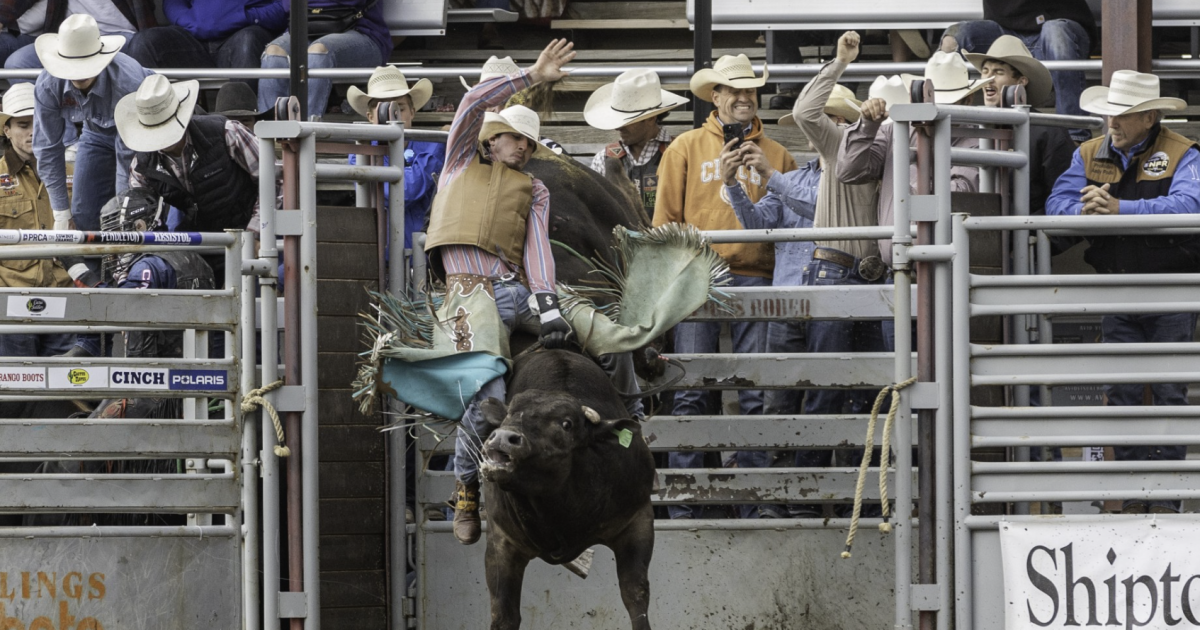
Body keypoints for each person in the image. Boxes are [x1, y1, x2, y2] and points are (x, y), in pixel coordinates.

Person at [425, 39, 576, 545]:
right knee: (487, 396)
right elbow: (471, 103)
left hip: (517, 293)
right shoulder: (458, 164)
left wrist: (549, 305)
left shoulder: (535, 189)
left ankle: (630, 420)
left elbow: (538, 251)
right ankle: (466, 487)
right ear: (491, 140)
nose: (523, 148)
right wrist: (533, 74)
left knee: (607, 336)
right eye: (514, 138)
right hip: (470, 298)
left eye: (529, 142)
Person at [1046, 70, 1199, 514]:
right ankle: (1138, 497)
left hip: (1168, 289)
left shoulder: (1183, 152)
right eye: (1110, 112)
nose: (1112, 121)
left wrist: (1119, 209)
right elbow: (1056, 205)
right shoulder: (1089, 152)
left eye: (1123, 113)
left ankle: (1164, 499)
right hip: (1122, 287)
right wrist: (1085, 211)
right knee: (1125, 393)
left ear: (1149, 117)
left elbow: (1191, 206)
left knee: (1167, 393)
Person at [652, 53, 797, 519]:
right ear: (714, 97)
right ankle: (685, 507)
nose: (743, 97)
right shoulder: (686, 147)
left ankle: (754, 505)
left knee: (755, 392)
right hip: (698, 276)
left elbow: (793, 220)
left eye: (749, 90)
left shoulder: (777, 155)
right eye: (733, 90)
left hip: (758, 276)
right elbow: (665, 221)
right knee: (691, 390)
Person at [759, 31, 884, 518]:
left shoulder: (885, 148)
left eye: (838, 116)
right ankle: (810, 502)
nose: (827, 123)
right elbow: (806, 111)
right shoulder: (839, 144)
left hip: (867, 276)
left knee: (865, 392)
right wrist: (839, 62)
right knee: (828, 390)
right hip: (839, 271)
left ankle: (850, 500)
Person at [837, 51, 988, 350]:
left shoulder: (977, 141)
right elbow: (848, 170)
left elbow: (958, 193)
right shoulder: (896, 130)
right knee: (908, 365)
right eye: (934, 101)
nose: (938, 110)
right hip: (900, 273)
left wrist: (909, 183)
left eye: (948, 101)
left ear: (967, 101)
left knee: (941, 361)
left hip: (949, 276)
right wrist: (866, 125)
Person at [32, 14, 152, 234]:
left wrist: (122, 210)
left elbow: (128, 153)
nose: (79, 74)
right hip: (95, 132)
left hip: (145, 134)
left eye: (85, 65)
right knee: (83, 215)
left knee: (129, 217)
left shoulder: (128, 81)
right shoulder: (47, 85)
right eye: (72, 66)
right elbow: (47, 148)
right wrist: (61, 214)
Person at [118, 74, 262, 236]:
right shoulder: (141, 166)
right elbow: (144, 217)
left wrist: (255, 233)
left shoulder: (228, 133)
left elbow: (273, 180)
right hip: (197, 238)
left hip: (244, 230)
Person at [940, 0, 1095, 142]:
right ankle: (945, 129)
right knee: (953, 39)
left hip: (1059, 26)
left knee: (1055, 31)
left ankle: (1074, 137)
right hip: (1005, 31)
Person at [0, 83, 75, 357]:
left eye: (39, 121)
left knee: (69, 380)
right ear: (7, 130)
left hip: (67, 293)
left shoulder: (75, 172)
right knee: (15, 380)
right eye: (23, 125)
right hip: (11, 298)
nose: (33, 131)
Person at [964, 35, 1077, 217]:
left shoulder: (1049, 131)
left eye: (998, 72)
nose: (988, 79)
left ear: (1021, 82)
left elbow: (1062, 197)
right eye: (985, 71)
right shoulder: (973, 126)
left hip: (1030, 230)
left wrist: (1033, 230)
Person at [346, 65, 444, 251]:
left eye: (400, 108)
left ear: (412, 112)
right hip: (382, 256)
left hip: (429, 255)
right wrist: (441, 143)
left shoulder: (433, 144)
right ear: (370, 117)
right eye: (384, 110)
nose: (393, 116)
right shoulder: (361, 153)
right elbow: (405, 192)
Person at [256, 0, 394, 119]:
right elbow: (288, 4)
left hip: (362, 31)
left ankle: (307, 133)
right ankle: (270, 136)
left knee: (318, 51)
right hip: (307, 28)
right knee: (274, 53)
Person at [584, 68, 687, 220]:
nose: (618, 127)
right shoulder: (603, 158)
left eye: (627, 120)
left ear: (650, 118)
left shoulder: (680, 153)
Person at [123, 0, 285, 92]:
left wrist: (247, 16)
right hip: (195, 36)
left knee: (248, 41)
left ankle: (239, 130)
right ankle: (158, 131)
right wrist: (187, 21)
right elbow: (173, 2)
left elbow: (286, 6)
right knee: (143, 42)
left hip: (243, 32)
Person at [3, 0, 157, 79]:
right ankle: (62, 127)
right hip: (72, 39)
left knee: (140, 52)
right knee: (18, 63)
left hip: (121, 37)